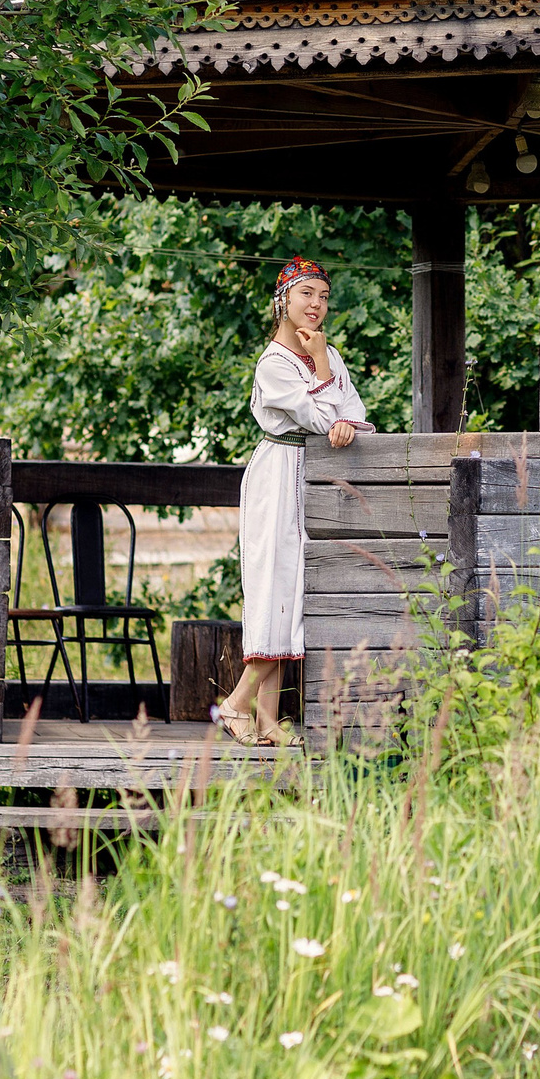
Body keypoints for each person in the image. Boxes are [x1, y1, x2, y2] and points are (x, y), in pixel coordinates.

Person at [215, 255, 368, 746]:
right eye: (307, 294)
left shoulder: (329, 352)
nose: (316, 306)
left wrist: (339, 414)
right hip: (279, 474)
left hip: (315, 476)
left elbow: (353, 412)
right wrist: (325, 377)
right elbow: (322, 414)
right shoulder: (274, 366)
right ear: (284, 300)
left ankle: (267, 721)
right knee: (275, 588)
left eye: (323, 297)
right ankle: (236, 705)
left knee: (294, 591)